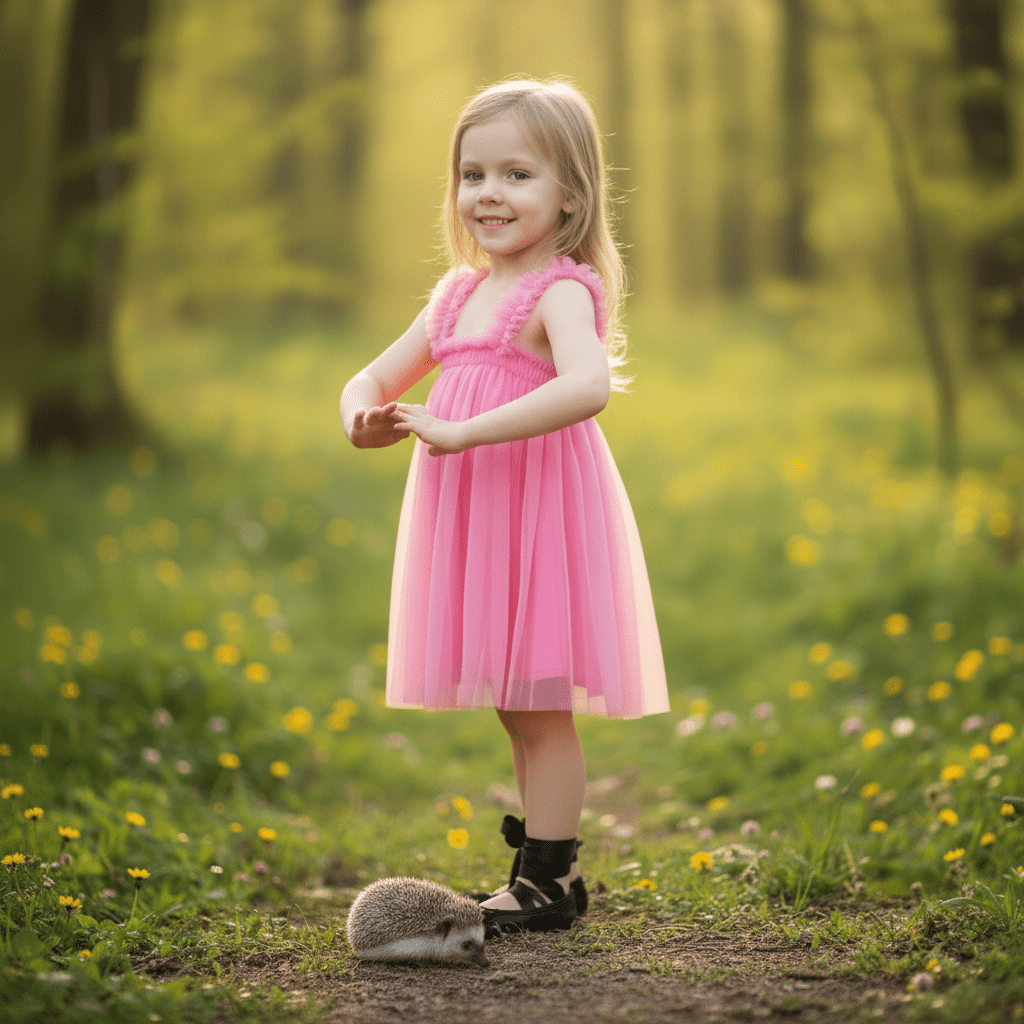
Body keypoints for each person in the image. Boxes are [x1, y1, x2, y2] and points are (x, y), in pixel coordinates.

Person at [340, 78, 669, 936]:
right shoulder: (455, 293)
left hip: (536, 510)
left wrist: (467, 429)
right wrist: (363, 419)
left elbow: (589, 385)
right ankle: (534, 868)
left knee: (540, 701)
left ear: (570, 196)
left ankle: (552, 882)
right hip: (478, 514)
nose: (489, 192)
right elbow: (372, 377)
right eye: (473, 173)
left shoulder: (560, 290)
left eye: (517, 174)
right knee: (513, 702)